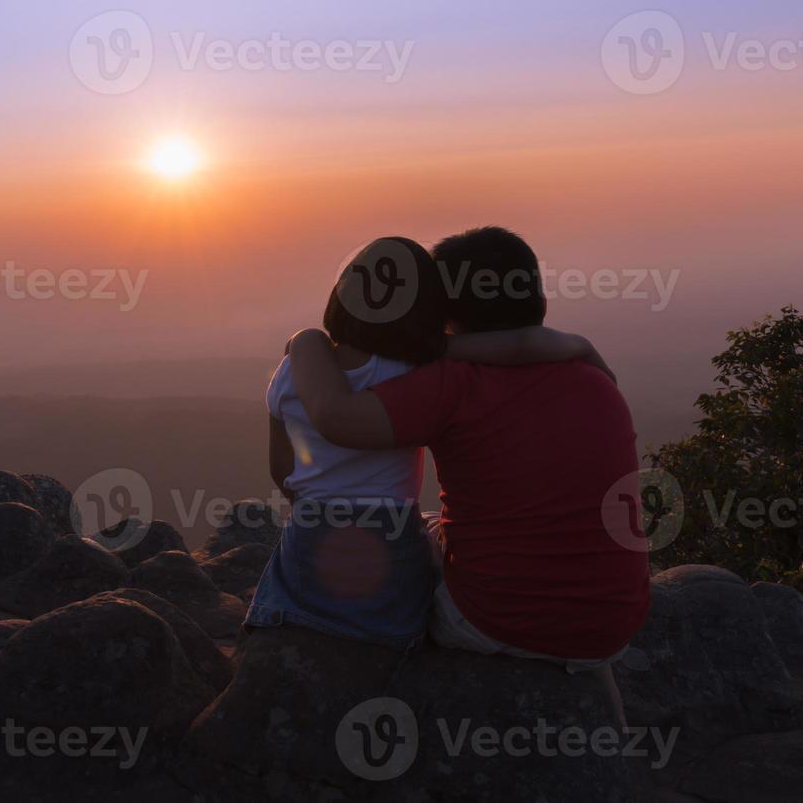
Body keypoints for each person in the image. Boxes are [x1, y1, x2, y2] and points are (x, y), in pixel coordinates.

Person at [285, 227, 649, 722]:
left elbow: (335, 418)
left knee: (405, 541)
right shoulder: (594, 380)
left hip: (492, 623)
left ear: (442, 317)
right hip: (613, 627)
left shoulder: (451, 385)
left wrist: (305, 342)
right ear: (540, 303)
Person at [249, 236, 614, 650]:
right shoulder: (420, 371)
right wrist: (577, 345)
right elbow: (522, 344)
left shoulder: (304, 372)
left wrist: (303, 339)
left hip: (326, 540)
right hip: (607, 621)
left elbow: (297, 457)